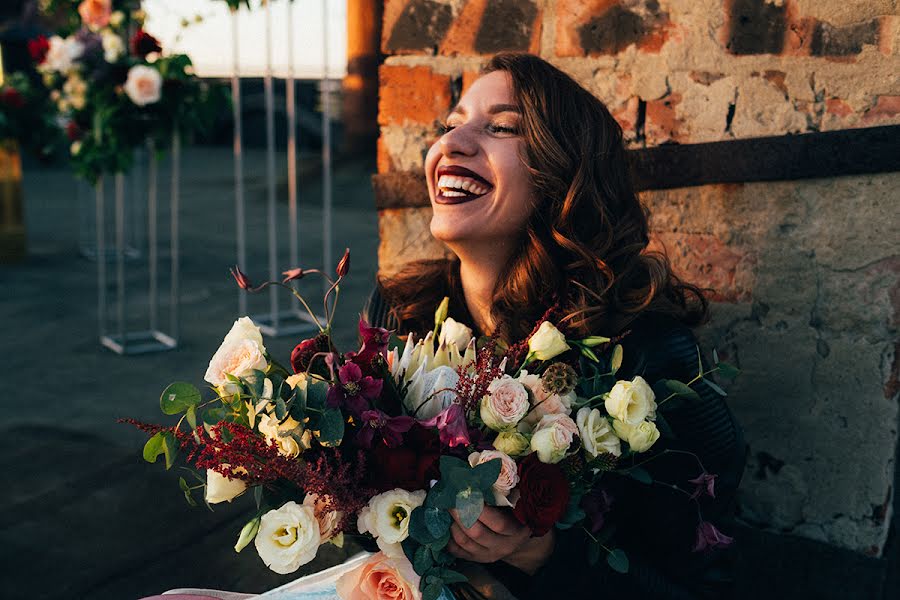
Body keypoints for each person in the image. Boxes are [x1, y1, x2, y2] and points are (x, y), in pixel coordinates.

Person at [365, 53, 745, 599]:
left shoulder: (650, 359)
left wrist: (539, 554)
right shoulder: (399, 312)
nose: (452, 143)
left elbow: (703, 587)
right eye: (450, 125)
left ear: (561, 175)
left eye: (500, 127)